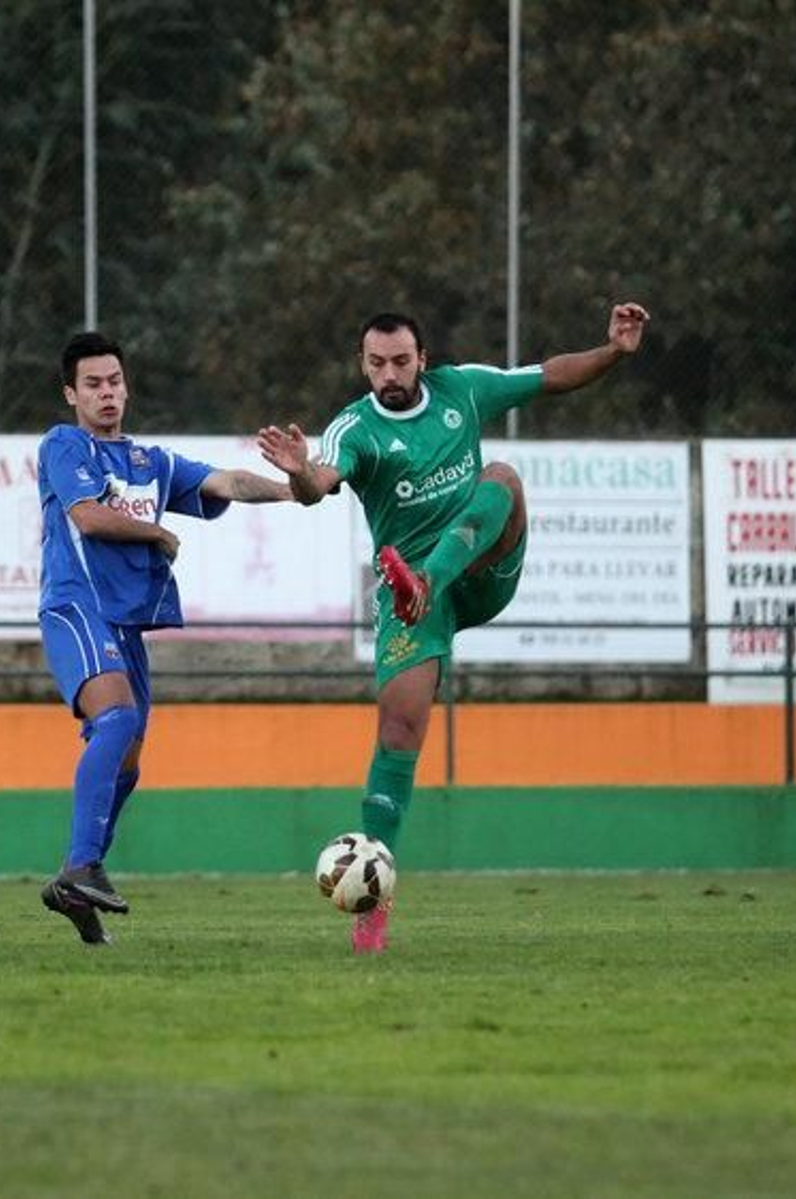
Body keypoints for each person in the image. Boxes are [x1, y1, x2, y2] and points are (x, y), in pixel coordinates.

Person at [258, 302, 650, 953]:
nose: (389, 372)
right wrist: (299, 469)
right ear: (364, 364)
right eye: (377, 362)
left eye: (401, 361)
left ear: (423, 360)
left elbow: (549, 376)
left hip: (476, 570)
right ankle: (370, 902)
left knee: (502, 477)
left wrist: (613, 350)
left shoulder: (462, 390)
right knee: (399, 728)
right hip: (412, 601)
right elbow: (319, 483)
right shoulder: (354, 427)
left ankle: (430, 575)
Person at [37, 331, 295, 945]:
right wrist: (157, 534)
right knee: (119, 721)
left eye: (115, 381)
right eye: (94, 384)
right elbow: (88, 516)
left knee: (128, 760)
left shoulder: (150, 463)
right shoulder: (63, 444)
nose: (108, 393)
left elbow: (226, 482)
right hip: (76, 608)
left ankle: (79, 880)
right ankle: (81, 867)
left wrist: (295, 487)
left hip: (126, 626)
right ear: (71, 393)